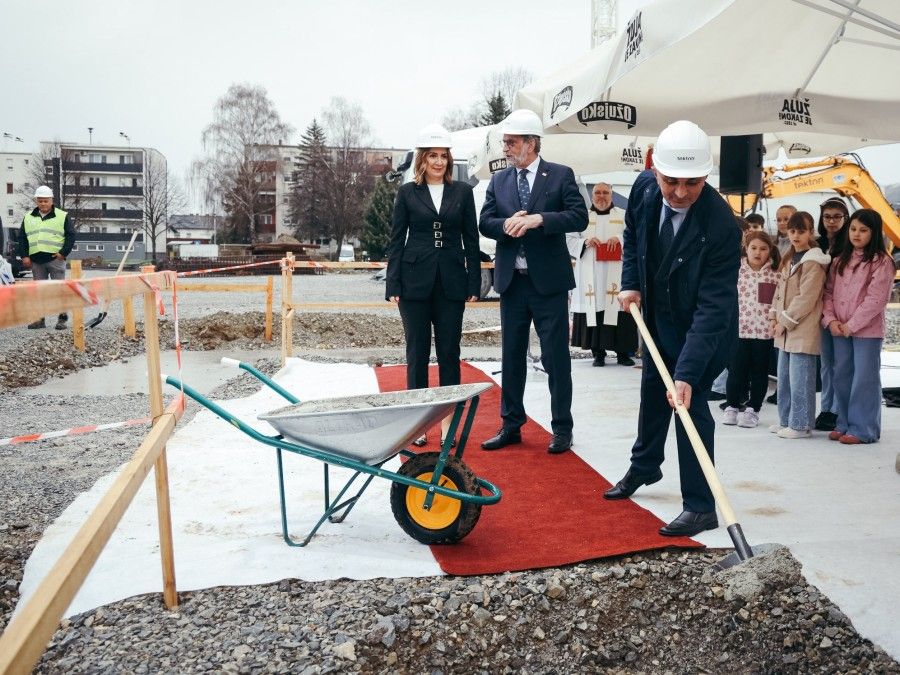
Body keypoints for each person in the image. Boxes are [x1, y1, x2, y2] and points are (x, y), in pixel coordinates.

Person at [605, 120, 740, 537]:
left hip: (701, 328)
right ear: (656, 171)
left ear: (705, 177)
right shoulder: (646, 190)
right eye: (671, 181)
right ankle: (645, 466)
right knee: (652, 391)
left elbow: (714, 306)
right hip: (658, 317)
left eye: (692, 183)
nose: (680, 192)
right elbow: (632, 233)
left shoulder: (720, 224)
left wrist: (686, 372)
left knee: (688, 405)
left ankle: (701, 506)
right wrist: (630, 282)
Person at [478, 109, 588, 454]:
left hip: (549, 284)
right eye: (505, 142)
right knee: (511, 357)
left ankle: (562, 429)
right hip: (513, 282)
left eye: (511, 142)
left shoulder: (560, 176)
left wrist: (539, 219)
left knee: (556, 358)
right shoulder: (499, 181)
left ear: (531, 143)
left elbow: (578, 216)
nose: (506, 148)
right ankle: (511, 425)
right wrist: (508, 223)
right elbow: (485, 222)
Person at [386, 124, 480, 447]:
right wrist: (392, 281)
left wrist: (474, 279)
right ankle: (419, 425)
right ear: (422, 159)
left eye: (443, 156)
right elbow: (397, 239)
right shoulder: (407, 193)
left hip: (452, 283)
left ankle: (448, 424)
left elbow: (471, 239)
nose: (439, 162)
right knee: (417, 354)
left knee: (449, 354)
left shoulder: (463, 193)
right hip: (413, 285)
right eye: (433, 156)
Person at [822, 209, 894, 444]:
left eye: (863, 230)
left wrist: (851, 325)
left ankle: (864, 428)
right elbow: (828, 293)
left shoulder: (882, 262)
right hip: (839, 329)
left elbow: (876, 299)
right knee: (841, 375)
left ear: (873, 233)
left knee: (864, 378)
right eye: (853, 229)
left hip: (866, 332)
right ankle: (844, 423)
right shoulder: (839, 260)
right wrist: (831, 320)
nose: (856, 234)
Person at [768, 211, 830, 439]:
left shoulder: (813, 261)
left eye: (801, 231)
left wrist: (783, 322)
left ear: (811, 232)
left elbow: (807, 297)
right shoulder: (789, 257)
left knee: (801, 379)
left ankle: (801, 425)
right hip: (784, 331)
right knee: (784, 378)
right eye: (792, 231)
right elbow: (779, 291)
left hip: (802, 329)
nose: (795, 235)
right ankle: (786, 420)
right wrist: (773, 317)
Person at [567, 182, 637, 367]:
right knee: (594, 310)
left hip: (617, 273)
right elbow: (568, 239)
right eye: (597, 192)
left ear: (611, 195)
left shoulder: (623, 215)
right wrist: (585, 242)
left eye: (606, 192)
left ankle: (623, 354)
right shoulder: (582, 217)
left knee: (619, 311)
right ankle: (598, 353)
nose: (601, 196)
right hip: (591, 275)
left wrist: (620, 239)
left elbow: (634, 237)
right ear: (592, 195)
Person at [722, 231, 781, 428]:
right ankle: (731, 406)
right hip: (739, 330)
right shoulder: (736, 269)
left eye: (763, 249)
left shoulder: (775, 273)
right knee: (736, 371)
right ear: (746, 249)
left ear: (770, 250)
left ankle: (753, 409)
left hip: (764, 333)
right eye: (753, 248)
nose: (758, 253)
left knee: (759, 373)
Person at [813, 196, 851, 432]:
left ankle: (838, 409)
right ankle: (826, 407)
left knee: (841, 364)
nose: (832, 221)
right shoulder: (817, 244)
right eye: (827, 216)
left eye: (837, 217)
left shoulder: (850, 245)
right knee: (826, 364)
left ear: (845, 218)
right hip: (820, 309)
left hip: (842, 310)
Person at [18, 185, 76, 330]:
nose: (43, 203)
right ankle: (39, 320)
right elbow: (22, 238)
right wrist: (25, 255)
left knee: (59, 290)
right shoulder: (28, 217)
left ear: (51, 200)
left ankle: (62, 319)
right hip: (36, 261)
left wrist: (63, 253)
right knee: (39, 291)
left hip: (55, 259)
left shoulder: (62, 216)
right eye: (40, 201)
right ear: (36, 201)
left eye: (45, 201)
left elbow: (71, 235)